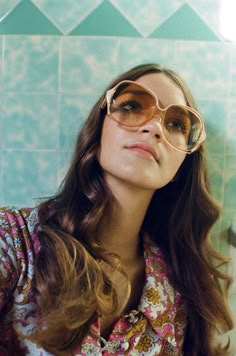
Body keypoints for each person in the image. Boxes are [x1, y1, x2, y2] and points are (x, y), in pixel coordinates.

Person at [0, 63, 234, 356]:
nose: (154, 127)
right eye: (133, 105)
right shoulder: (14, 240)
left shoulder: (180, 292)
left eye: (176, 123)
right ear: (97, 134)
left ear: (179, 168)